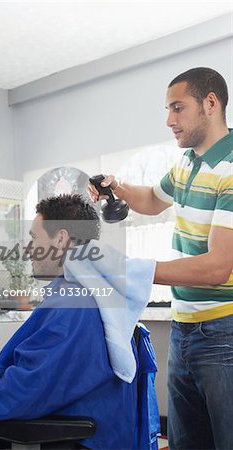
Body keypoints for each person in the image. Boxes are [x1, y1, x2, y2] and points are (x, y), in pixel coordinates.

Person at [0, 194, 159, 450]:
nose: (29, 250)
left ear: (60, 239)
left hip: (75, 430)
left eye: (33, 238)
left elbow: (24, 389)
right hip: (72, 414)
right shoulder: (82, 294)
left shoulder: (75, 303)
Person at [89, 67, 233, 450]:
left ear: (211, 103)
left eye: (177, 108)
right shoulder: (187, 162)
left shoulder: (232, 170)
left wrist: (132, 271)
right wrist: (115, 186)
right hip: (184, 328)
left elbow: (218, 268)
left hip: (224, 332)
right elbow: (153, 200)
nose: (169, 120)